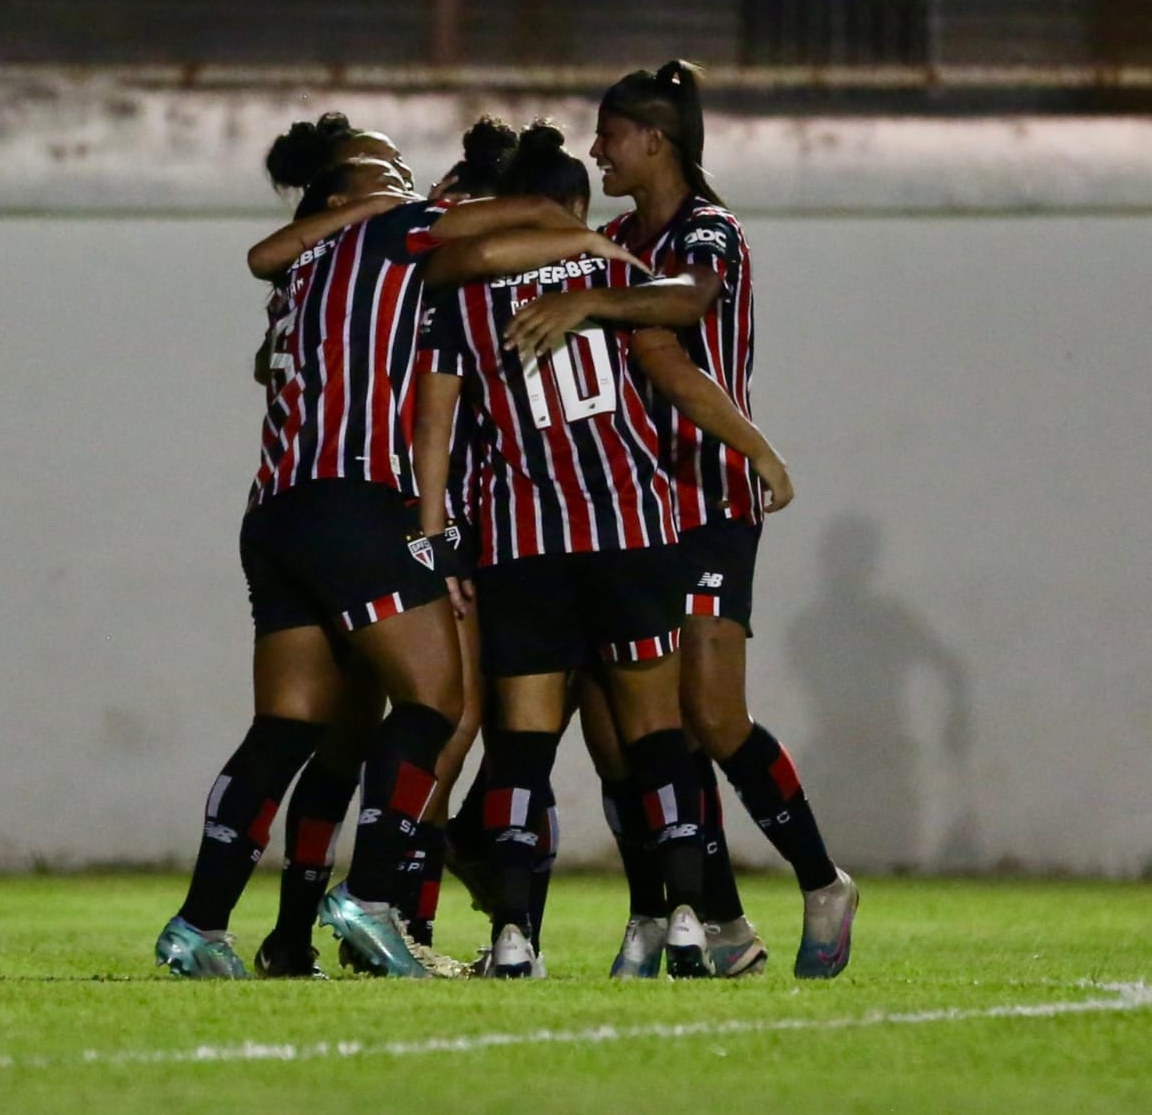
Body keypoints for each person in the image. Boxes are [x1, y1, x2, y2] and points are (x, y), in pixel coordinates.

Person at [154, 113, 603, 980]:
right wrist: (592, 258)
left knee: (286, 728)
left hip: (276, 511)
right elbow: (543, 221)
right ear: (345, 193)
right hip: (357, 503)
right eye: (383, 166)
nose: (402, 174)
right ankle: (368, 898)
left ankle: (200, 923)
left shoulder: (300, 273)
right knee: (435, 705)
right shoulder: (392, 232)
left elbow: (269, 288)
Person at [504, 61, 857, 980]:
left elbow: (686, 303)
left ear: (653, 140)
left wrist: (585, 300)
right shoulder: (617, 234)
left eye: (609, 135)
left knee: (706, 710)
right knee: (632, 728)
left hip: (708, 500)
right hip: (629, 510)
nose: (596, 151)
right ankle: (719, 921)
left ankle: (820, 880)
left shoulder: (710, 231)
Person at [417, 120, 776, 979]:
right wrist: (756, 449)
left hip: (522, 540)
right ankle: (687, 921)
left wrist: (435, 537)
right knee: (657, 738)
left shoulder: (461, 294)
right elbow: (673, 370)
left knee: (521, 749)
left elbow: (435, 411)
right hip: (630, 529)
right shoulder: (615, 272)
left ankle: (511, 939)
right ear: (572, 206)